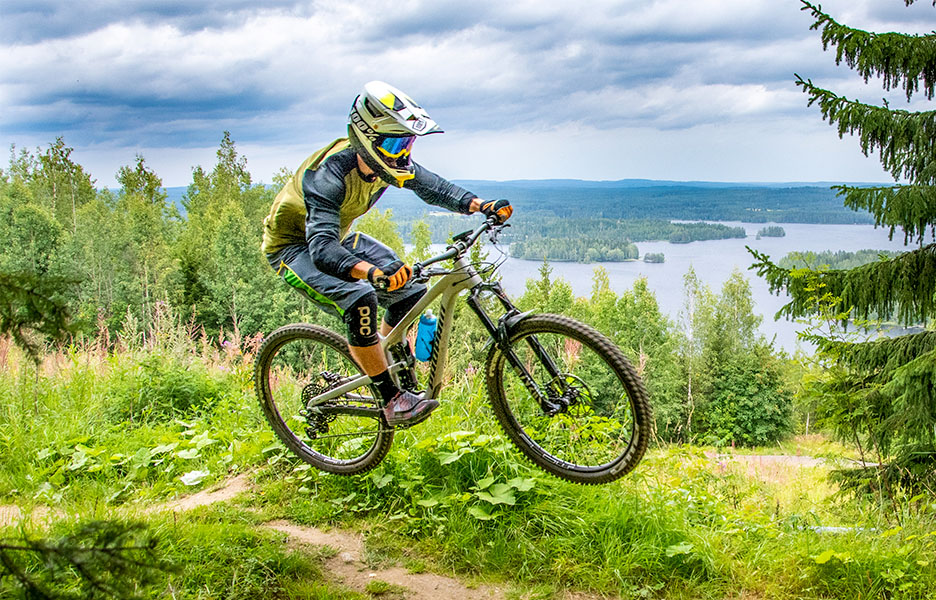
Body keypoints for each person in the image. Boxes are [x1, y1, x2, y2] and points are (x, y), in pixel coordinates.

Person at [260, 81, 513, 427]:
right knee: (360, 298)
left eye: (407, 142)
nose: (403, 152)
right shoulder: (328, 176)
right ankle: (391, 397)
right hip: (294, 248)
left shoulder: (386, 163)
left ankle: (386, 352)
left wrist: (480, 204)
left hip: (339, 238)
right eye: (395, 143)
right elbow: (320, 249)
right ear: (366, 139)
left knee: (410, 292)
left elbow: (433, 187)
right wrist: (373, 273)